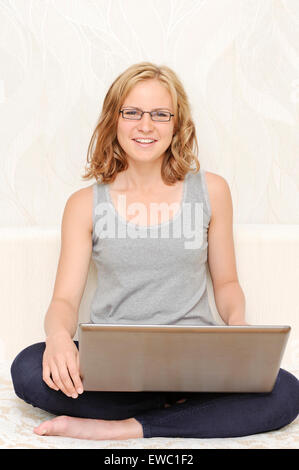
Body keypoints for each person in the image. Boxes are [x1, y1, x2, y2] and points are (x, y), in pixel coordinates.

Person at [10, 62, 298, 441]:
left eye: (161, 115)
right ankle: (183, 414)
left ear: (177, 125)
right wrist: (59, 339)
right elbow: (64, 299)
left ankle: (122, 428)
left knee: (287, 391)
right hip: (114, 373)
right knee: (28, 368)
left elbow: (227, 282)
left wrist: (237, 329)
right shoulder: (84, 204)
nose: (146, 126)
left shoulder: (212, 191)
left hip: (197, 367)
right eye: (132, 112)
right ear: (114, 119)